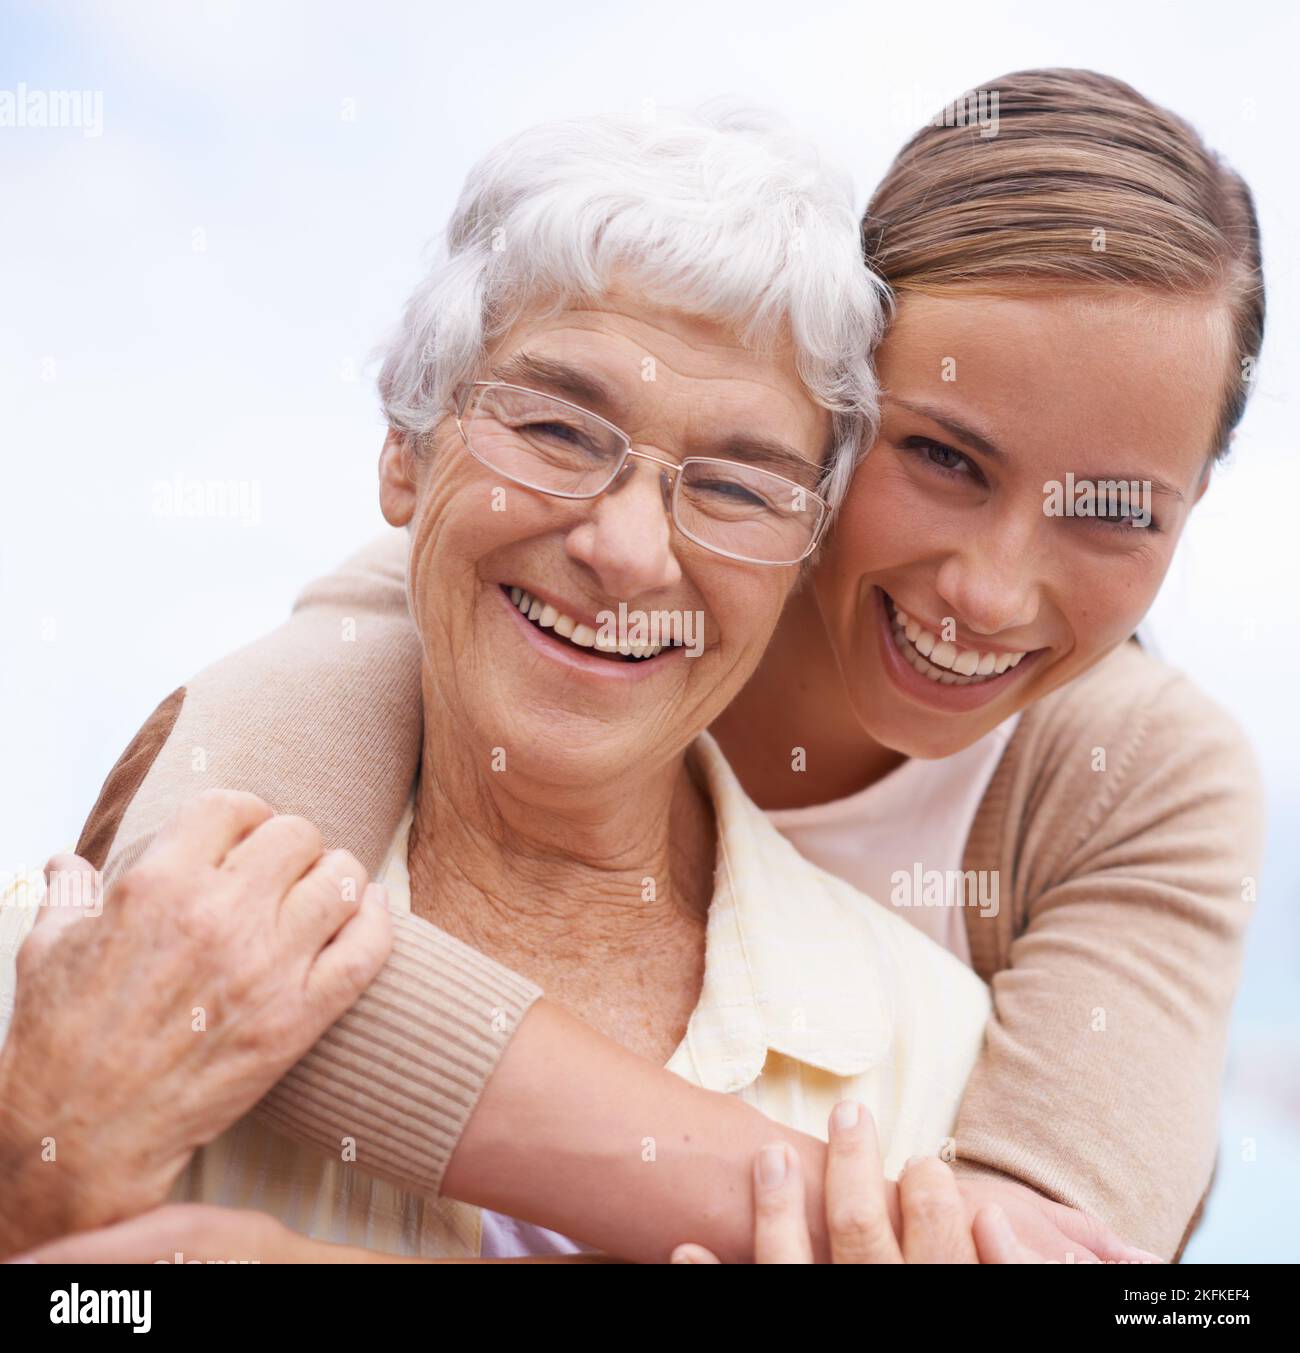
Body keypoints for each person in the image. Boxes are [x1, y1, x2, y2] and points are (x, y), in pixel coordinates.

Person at [20, 68, 1266, 1263]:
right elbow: (188, 944)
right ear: (836, 406)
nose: (989, 590)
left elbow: (1036, 1256)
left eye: (1114, 510)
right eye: (942, 458)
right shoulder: (486, 575)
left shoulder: (1143, 783)